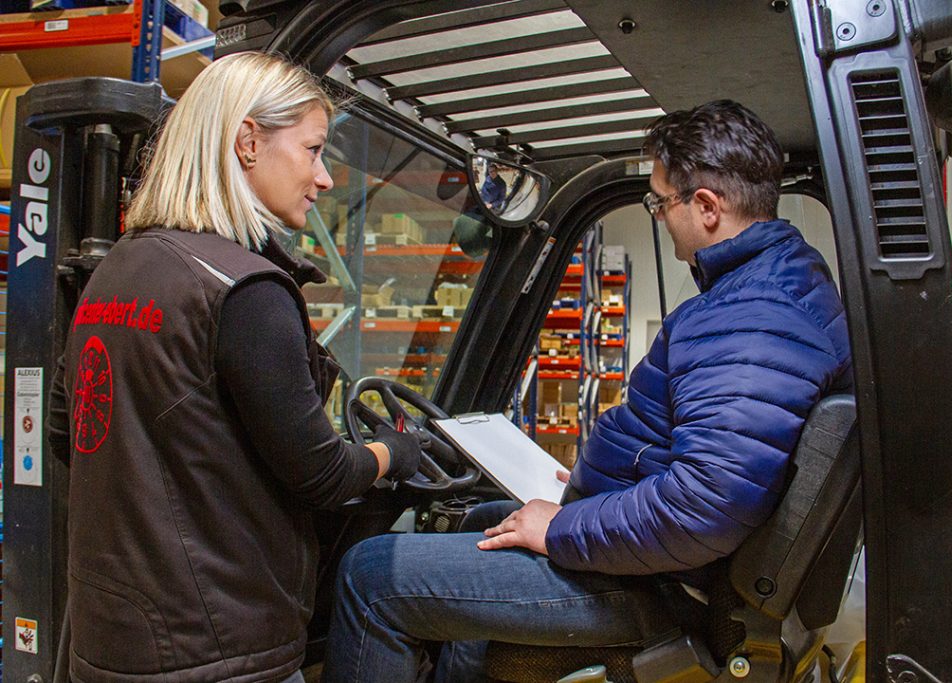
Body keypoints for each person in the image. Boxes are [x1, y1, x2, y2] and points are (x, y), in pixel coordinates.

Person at [321, 99, 853, 683]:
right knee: (490, 519)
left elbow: (707, 502)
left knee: (368, 574)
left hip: (662, 587)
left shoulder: (750, 314)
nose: (657, 213)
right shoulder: (779, 283)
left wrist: (562, 527)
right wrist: (596, 484)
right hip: (668, 565)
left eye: (660, 200)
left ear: (705, 206)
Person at [46, 51, 424, 683]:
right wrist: (395, 452)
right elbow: (322, 475)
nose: (325, 177)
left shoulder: (119, 268)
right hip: (221, 649)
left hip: (111, 641)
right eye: (312, 150)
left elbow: (70, 432)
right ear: (249, 141)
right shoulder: (245, 289)